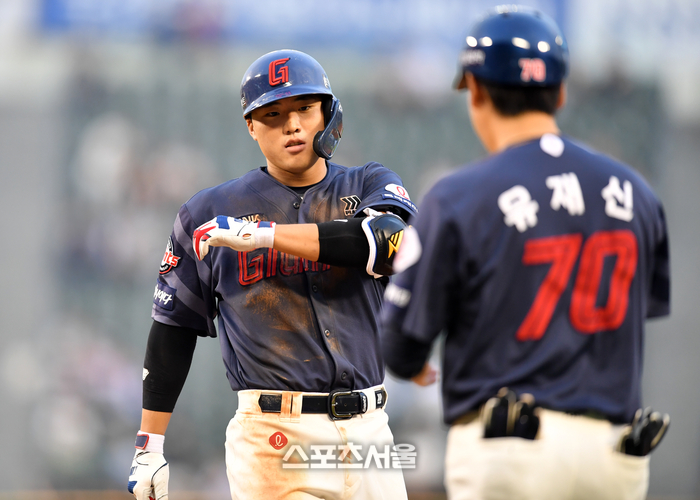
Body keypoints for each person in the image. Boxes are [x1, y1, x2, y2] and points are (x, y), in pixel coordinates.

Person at [380, 6, 670, 500]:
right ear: (560, 93)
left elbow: (399, 347)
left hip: (511, 450)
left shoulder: (458, 195)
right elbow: (633, 316)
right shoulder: (636, 192)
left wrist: (413, 364)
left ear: (474, 90)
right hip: (615, 455)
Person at [127, 49, 416, 500]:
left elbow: (386, 243)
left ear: (328, 113)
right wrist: (149, 445)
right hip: (275, 435)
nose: (292, 125)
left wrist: (265, 236)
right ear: (251, 126)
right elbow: (173, 328)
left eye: (304, 107)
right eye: (273, 114)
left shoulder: (367, 184)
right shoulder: (208, 212)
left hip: (370, 431)